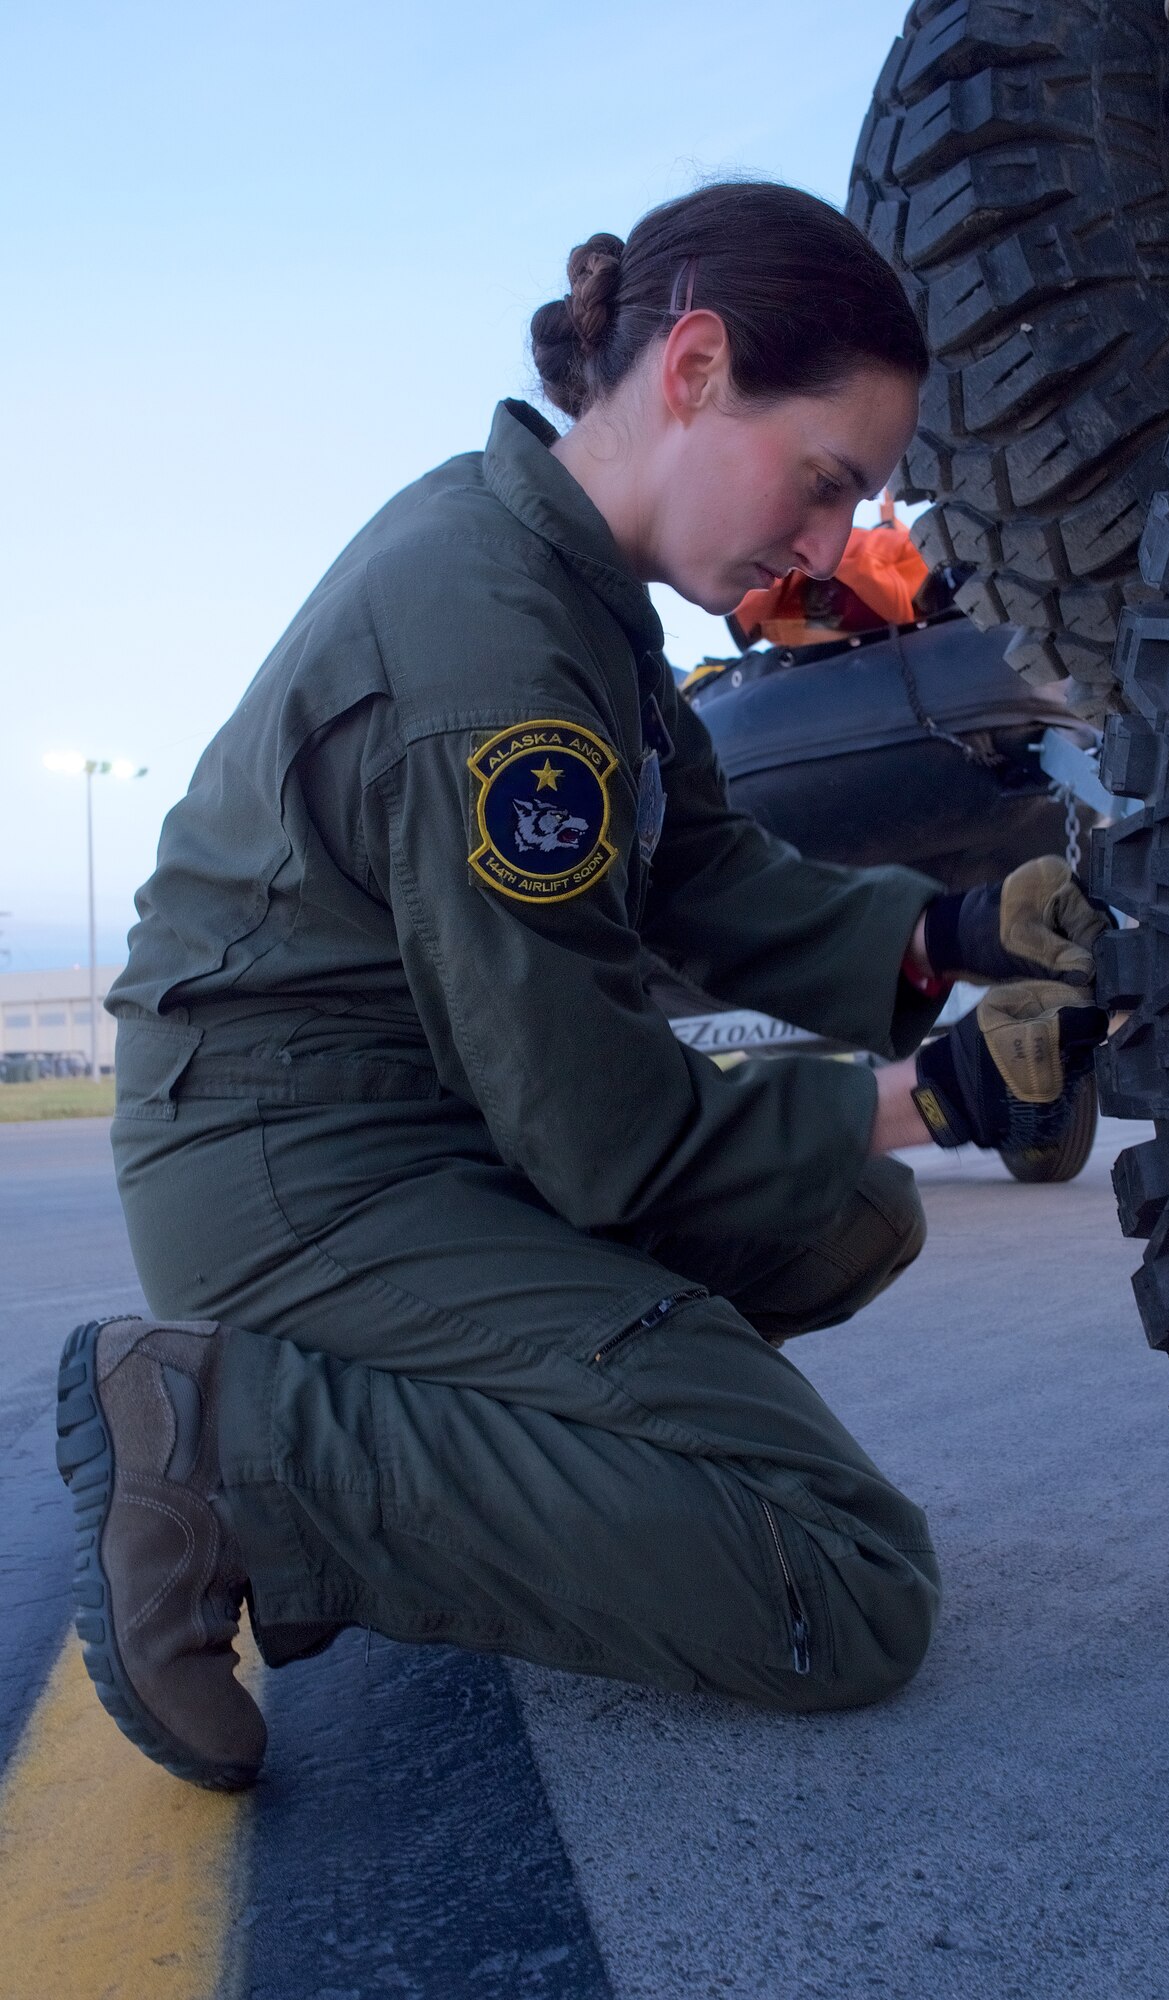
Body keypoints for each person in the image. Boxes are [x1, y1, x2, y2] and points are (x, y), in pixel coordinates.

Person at [55, 181, 1107, 1791]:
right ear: (692, 367)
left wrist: (949, 938)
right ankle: (246, 1463)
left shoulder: (569, 584)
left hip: (403, 1124)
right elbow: (599, 1123)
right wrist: (937, 1097)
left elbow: (701, 870)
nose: (831, 551)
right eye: (825, 485)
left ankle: (553, 1421)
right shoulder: (490, 644)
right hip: (297, 1173)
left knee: (847, 1215)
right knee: (842, 1580)